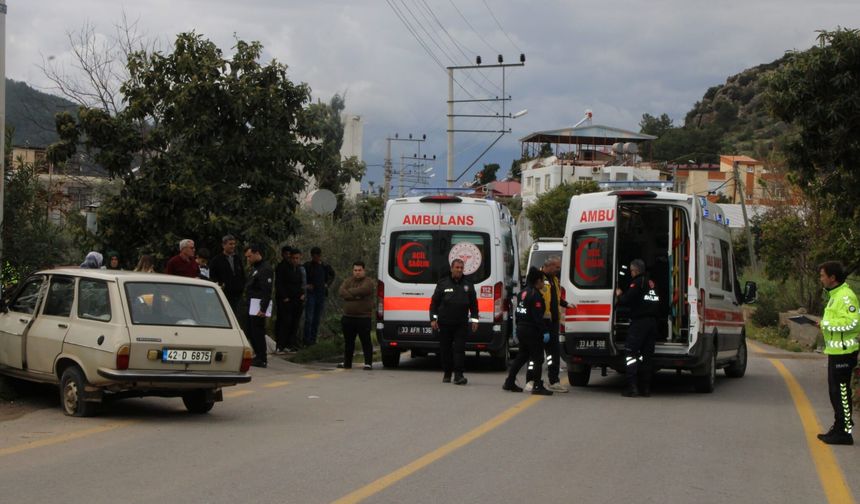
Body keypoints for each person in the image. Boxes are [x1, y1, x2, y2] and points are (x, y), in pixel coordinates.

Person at [815, 261, 859, 445]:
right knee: (836, 392)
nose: (821, 279)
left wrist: (825, 324)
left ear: (833, 278)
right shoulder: (835, 295)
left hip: (844, 351)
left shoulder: (845, 297)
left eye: (823, 275)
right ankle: (841, 426)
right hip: (836, 351)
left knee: (840, 392)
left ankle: (844, 431)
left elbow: (853, 323)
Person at [504, 267, 553, 396]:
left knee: (522, 356)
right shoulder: (535, 295)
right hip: (531, 330)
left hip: (521, 328)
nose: (543, 284)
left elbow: (517, 311)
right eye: (542, 281)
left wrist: (517, 327)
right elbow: (537, 317)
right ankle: (537, 385)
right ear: (538, 281)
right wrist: (544, 332)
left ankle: (509, 381)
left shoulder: (523, 293)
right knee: (538, 358)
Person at [429, 258, 478, 385]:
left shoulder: (468, 284)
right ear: (452, 268)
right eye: (457, 267)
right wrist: (433, 319)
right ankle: (447, 373)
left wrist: (474, 320)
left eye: (461, 268)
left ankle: (458, 375)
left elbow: (474, 305)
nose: (459, 270)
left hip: (461, 323)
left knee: (459, 349)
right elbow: (434, 303)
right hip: (445, 323)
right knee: (445, 350)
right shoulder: (443, 283)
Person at [615, 258, 659, 397]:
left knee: (630, 354)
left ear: (634, 271)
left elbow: (626, 300)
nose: (631, 273)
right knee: (647, 357)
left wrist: (619, 295)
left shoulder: (637, 283)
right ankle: (646, 389)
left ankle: (632, 387)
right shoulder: (651, 283)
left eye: (631, 270)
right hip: (652, 323)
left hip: (639, 322)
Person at [337, 261, 376, 370]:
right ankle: (347, 363)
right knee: (349, 342)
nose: (357, 272)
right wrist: (357, 296)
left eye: (359, 270)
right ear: (352, 271)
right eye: (355, 270)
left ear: (364, 270)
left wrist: (349, 295)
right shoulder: (348, 281)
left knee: (365, 341)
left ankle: (368, 363)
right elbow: (341, 292)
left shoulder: (368, 282)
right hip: (348, 317)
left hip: (363, 318)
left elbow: (364, 290)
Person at [540, 256, 569, 393]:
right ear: (549, 266)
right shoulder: (539, 279)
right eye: (556, 267)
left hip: (553, 322)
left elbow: (556, 298)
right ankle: (533, 380)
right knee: (537, 354)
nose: (558, 270)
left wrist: (566, 304)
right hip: (542, 322)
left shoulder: (554, 279)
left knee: (554, 353)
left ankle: (554, 380)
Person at [244, 243, 274, 368]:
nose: (248, 259)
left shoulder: (265, 268)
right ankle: (258, 355)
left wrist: (263, 308)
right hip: (252, 304)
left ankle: (262, 358)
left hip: (258, 305)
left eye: (250, 256)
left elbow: (266, 290)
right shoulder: (256, 267)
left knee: (257, 331)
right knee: (251, 331)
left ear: (257, 253)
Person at [275, 247, 306, 353]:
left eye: (298, 258)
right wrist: (285, 297)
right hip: (287, 300)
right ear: (290, 258)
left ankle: (291, 344)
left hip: (298, 300)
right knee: (285, 322)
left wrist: (302, 294)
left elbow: (301, 283)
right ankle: (281, 345)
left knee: (295, 323)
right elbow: (280, 284)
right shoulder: (283, 268)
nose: (295, 260)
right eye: (294, 258)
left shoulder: (299, 269)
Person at [303, 247, 336, 346]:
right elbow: (301, 277)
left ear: (320, 256)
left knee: (316, 318)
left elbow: (332, 275)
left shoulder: (325, 266)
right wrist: (306, 286)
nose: (316, 258)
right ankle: (306, 340)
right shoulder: (307, 266)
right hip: (311, 294)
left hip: (321, 294)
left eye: (317, 256)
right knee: (309, 318)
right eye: (314, 256)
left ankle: (313, 340)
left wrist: (327, 284)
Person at [209, 235, 246, 315]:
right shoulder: (216, 260)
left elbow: (242, 274)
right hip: (224, 295)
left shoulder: (237, 259)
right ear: (223, 245)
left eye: (234, 244)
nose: (233, 246)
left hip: (238, 294)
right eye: (230, 244)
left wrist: (242, 286)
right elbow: (212, 276)